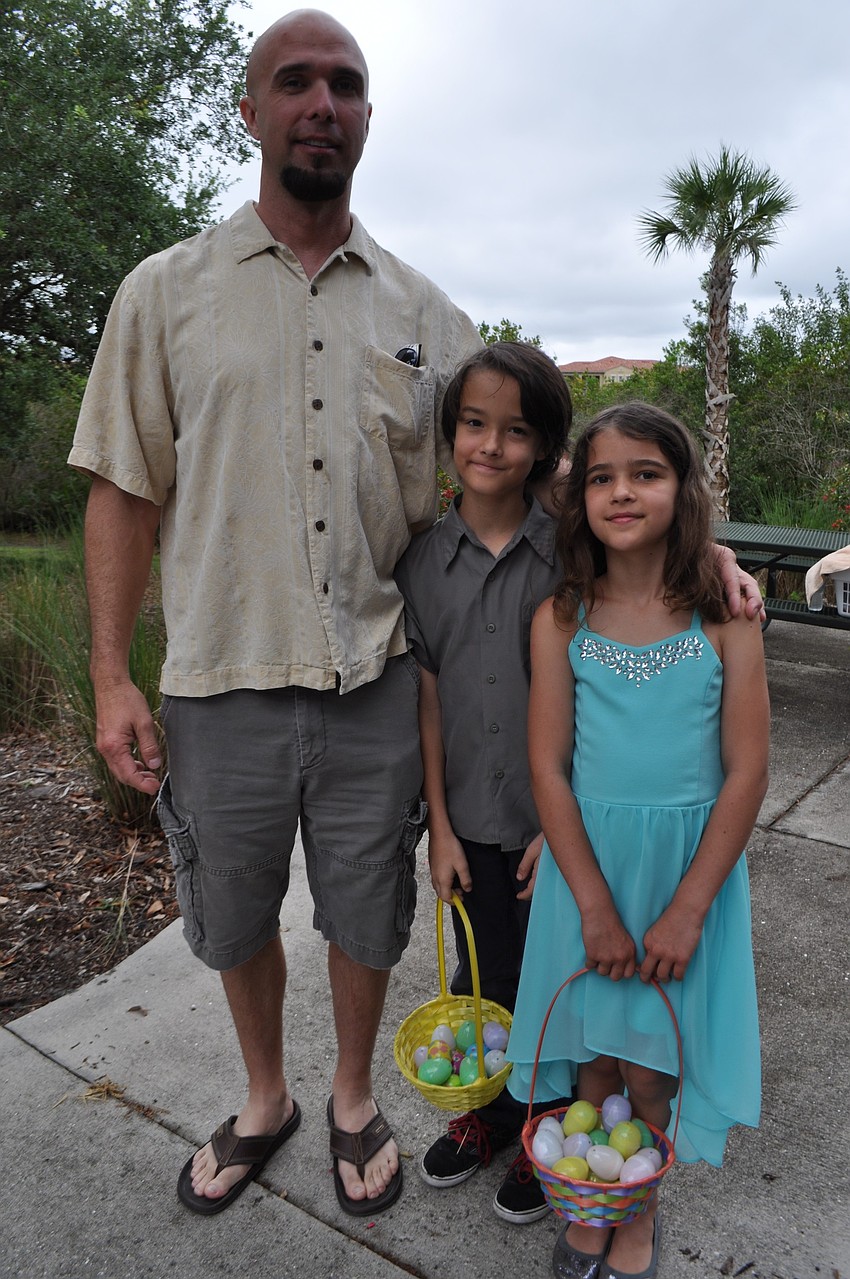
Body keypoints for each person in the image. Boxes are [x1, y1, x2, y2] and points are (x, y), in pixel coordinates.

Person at [68, 9, 483, 1218]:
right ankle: (266, 1097)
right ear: (249, 111)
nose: (321, 104)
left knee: (367, 911)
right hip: (218, 681)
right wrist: (111, 675)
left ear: (367, 119)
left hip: (377, 683)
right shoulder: (165, 292)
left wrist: (689, 556)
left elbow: (507, 474)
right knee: (233, 909)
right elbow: (121, 490)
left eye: (344, 85)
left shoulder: (424, 316)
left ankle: (351, 1093)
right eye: (293, 82)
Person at [506, 403, 769, 1279]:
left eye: (646, 473)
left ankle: (639, 1212)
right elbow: (548, 768)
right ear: (579, 497)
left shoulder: (725, 615)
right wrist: (590, 905)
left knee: (652, 1069)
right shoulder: (562, 616)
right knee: (593, 1057)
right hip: (591, 874)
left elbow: (748, 771)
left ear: (682, 488)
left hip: (684, 877)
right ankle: (595, 1201)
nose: (622, 492)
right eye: (602, 477)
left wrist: (689, 909)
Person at [394, 341, 574, 1225]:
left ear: (543, 447)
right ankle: (492, 1116)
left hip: (555, 824)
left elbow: (598, 692)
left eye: (515, 430)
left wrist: (564, 823)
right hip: (470, 817)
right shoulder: (422, 562)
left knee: (558, 981)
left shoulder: (574, 555)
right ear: (451, 431)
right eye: (473, 423)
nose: (491, 445)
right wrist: (440, 824)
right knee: (485, 972)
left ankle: (548, 1124)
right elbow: (428, 699)